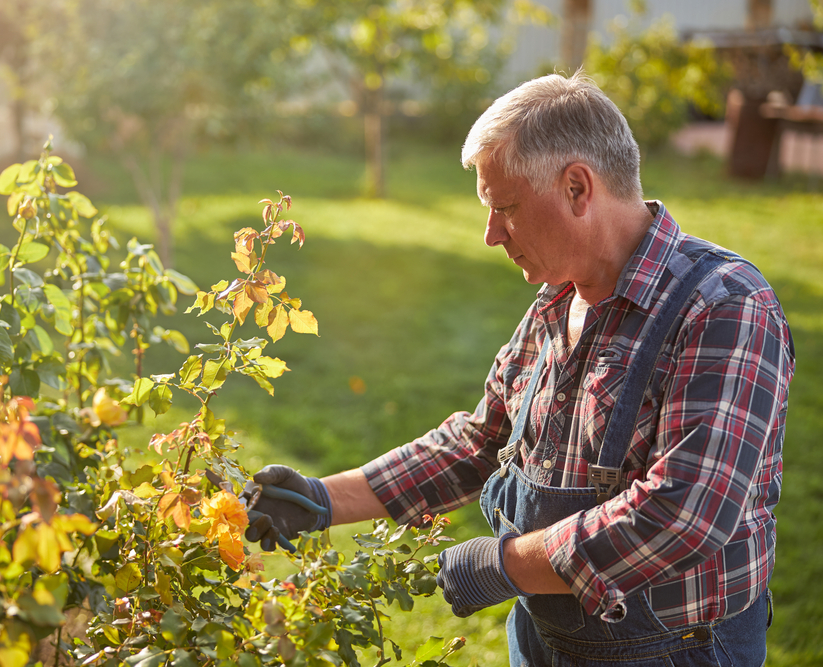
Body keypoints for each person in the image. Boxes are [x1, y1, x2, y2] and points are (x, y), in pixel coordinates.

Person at [244, 72, 795, 667]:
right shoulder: (559, 300)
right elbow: (482, 442)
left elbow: (683, 514)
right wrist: (325, 499)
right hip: (545, 637)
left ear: (578, 189)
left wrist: (504, 564)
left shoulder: (723, 306)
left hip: (673, 649)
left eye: (505, 208)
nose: (490, 235)